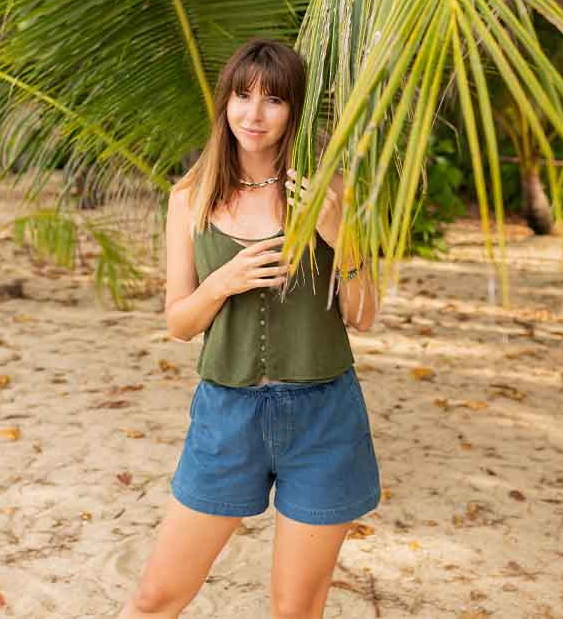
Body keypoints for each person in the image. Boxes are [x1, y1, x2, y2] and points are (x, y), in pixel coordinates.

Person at [118, 39, 381, 619]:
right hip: (226, 417)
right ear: (224, 102)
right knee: (155, 599)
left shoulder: (330, 192)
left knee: (295, 611)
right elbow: (179, 324)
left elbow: (363, 315)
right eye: (242, 96)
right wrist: (223, 282)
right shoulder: (189, 197)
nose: (253, 115)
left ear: (295, 111)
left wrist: (341, 240)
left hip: (323, 419)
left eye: (273, 101)